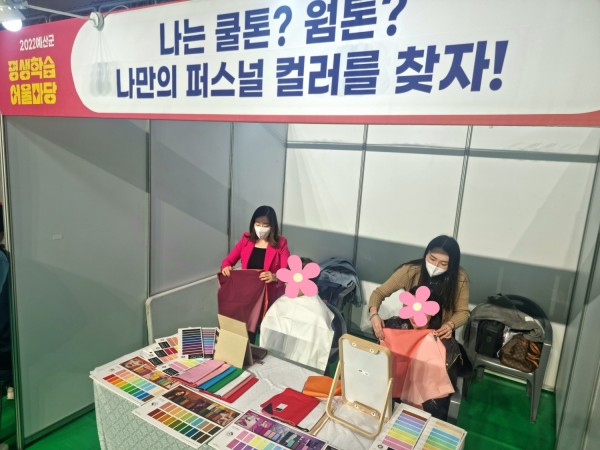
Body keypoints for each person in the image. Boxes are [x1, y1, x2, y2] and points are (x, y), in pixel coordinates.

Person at [369, 235, 469, 341]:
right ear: (426, 254)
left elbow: (463, 312)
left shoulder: (459, 278)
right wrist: (374, 315)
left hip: (438, 336)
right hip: (411, 331)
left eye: (443, 264)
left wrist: (450, 325)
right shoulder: (411, 271)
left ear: (452, 265)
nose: (436, 266)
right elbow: (379, 293)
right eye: (432, 259)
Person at [221, 205, 289, 303]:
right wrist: (226, 267)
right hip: (248, 292)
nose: (261, 228)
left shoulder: (281, 243)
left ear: (272, 226)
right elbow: (228, 261)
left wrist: (274, 277)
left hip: (269, 295)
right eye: (258, 224)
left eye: (265, 225)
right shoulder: (246, 239)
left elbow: (287, 272)